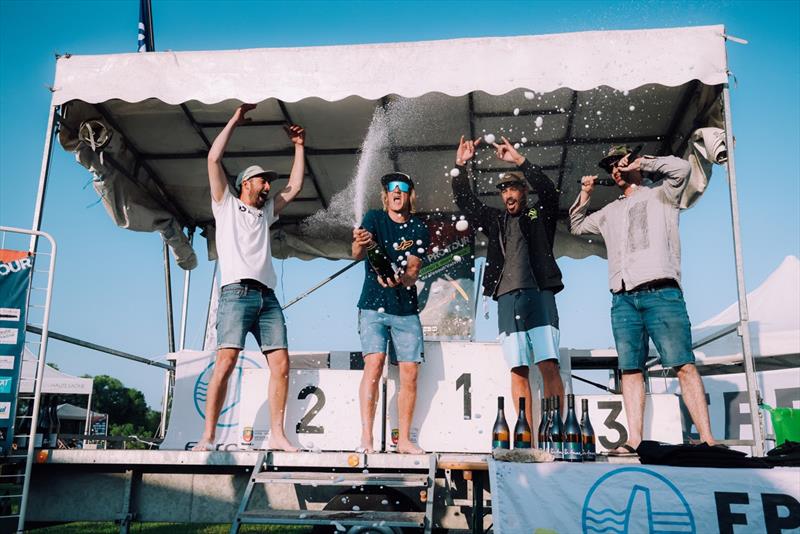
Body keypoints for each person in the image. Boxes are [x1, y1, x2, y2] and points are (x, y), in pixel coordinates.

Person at [570, 146, 716, 454]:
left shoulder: (662, 194)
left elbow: (683, 169)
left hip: (661, 291)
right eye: (611, 166)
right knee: (630, 369)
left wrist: (644, 162)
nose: (616, 169)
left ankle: (708, 439)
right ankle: (634, 439)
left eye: (620, 163)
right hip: (622, 298)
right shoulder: (609, 211)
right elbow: (577, 225)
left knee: (682, 363)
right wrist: (585, 194)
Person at [193, 103, 305, 452]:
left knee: (282, 364)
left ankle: (278, 435)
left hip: (267, 297)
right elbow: (213, 160)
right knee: (225, 363)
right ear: (245, 184)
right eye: (263, 179)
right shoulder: (225, 204)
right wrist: (235, 120)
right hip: (236, 293)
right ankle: (208, 437)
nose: (269, 184)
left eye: (269, 180)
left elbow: (297, 185)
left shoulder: (265, 213)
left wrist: (299, 146)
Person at [452, 136, 565, 430]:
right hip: (506, 297)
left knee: (548, 364)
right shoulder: (496, 220)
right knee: (518, 368)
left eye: (514, 188)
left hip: (539, 295)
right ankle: (524, 429)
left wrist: (519, 161)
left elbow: (550, 193)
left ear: (523, 191)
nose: (508, 195)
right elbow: (467, 203)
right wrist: (461, 166)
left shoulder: (537, 213)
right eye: (504, 191)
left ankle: (556, 428)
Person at [352, 172, 430, 454]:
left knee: (410, 373)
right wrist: (361, 241)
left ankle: (405, 441)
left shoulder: (419, 227)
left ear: (410, 195)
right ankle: (366, 437)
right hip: (372, 306)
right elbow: (356, 254)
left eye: (403, 187)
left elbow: (412, 272)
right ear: (386, 195)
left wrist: (402, 279)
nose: (397, 192)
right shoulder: (373, 217)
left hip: (406, 310)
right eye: (391, 188)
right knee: (374, 365)